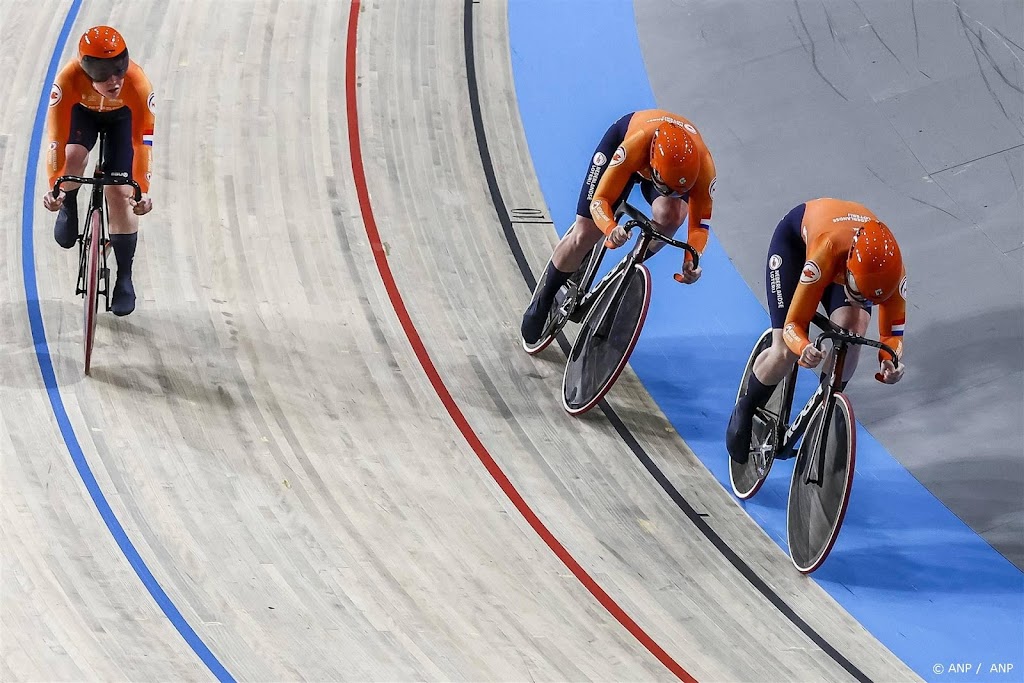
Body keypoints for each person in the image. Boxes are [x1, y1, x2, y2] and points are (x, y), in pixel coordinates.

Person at [725, 198, 907, 464]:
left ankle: (825, 403)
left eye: (869, 299)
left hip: (851, 266)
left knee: (854, 330)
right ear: (849, 271)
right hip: (798, 248)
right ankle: (746, 406)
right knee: (784, 351)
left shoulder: (892, 274)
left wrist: (890, 360)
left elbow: (892, 336)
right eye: (858, 292)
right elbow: (793, 325)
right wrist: (802, 346)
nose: (861, 302)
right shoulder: (827, 250)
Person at [520, 109, 717, 344]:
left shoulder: (704, 168)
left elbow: (698, 227)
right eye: (669, 190)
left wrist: (691, 259)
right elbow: (599, 201)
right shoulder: (634, 145)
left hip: (664, 171)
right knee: (586, 233)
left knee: (673, 216)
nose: (674, 195)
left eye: (680, 191)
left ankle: (628, 267)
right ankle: (545, 298)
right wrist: (610, 227)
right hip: (624, 146)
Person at [42, 26, 155, 316]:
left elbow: (143, 143)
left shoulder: (138, 84)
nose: (114, 80)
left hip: (122, 121)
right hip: (83, 115)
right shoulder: (67, 79)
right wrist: (55, 187)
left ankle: (124, 277)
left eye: (119, 67)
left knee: (119, 192)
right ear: (85, 68)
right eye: (103, 71)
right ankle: (69, 205)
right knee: (74, 155)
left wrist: (141, 191)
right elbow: (56, 137)